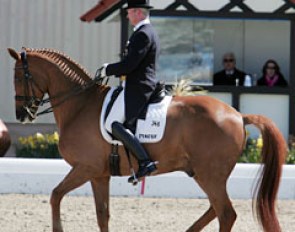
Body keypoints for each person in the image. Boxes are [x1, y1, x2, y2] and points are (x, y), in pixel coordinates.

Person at [99, 0, 159, 183]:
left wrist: (107, 69)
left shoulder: (143, 34)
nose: (127, 15)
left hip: (139, 86)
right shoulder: (144, 32)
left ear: (138, 12)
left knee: (113, 123)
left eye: (129, 12)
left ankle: (145, 161)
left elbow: (130, 65)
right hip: (136, 84)